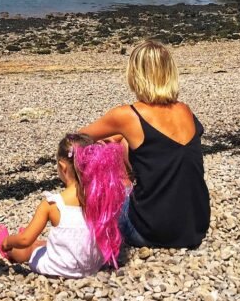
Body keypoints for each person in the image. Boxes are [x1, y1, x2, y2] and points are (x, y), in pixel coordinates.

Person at [78, 40, 210, 249]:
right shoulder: (185, 110)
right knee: (123, 139)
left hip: (149, 231)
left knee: (117, 142)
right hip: (195, 228)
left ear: (134, 74)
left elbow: (75, 140)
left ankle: (122, 188)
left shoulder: (127, 115)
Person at [0, 134, 129, 277]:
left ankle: (8, 250)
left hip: (59, 268)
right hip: (93, 266)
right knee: (46, 243)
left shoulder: (53, 204)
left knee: (31, 247)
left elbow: (25, 240)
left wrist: (9, 241)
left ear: (63, 167)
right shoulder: (101, 197)